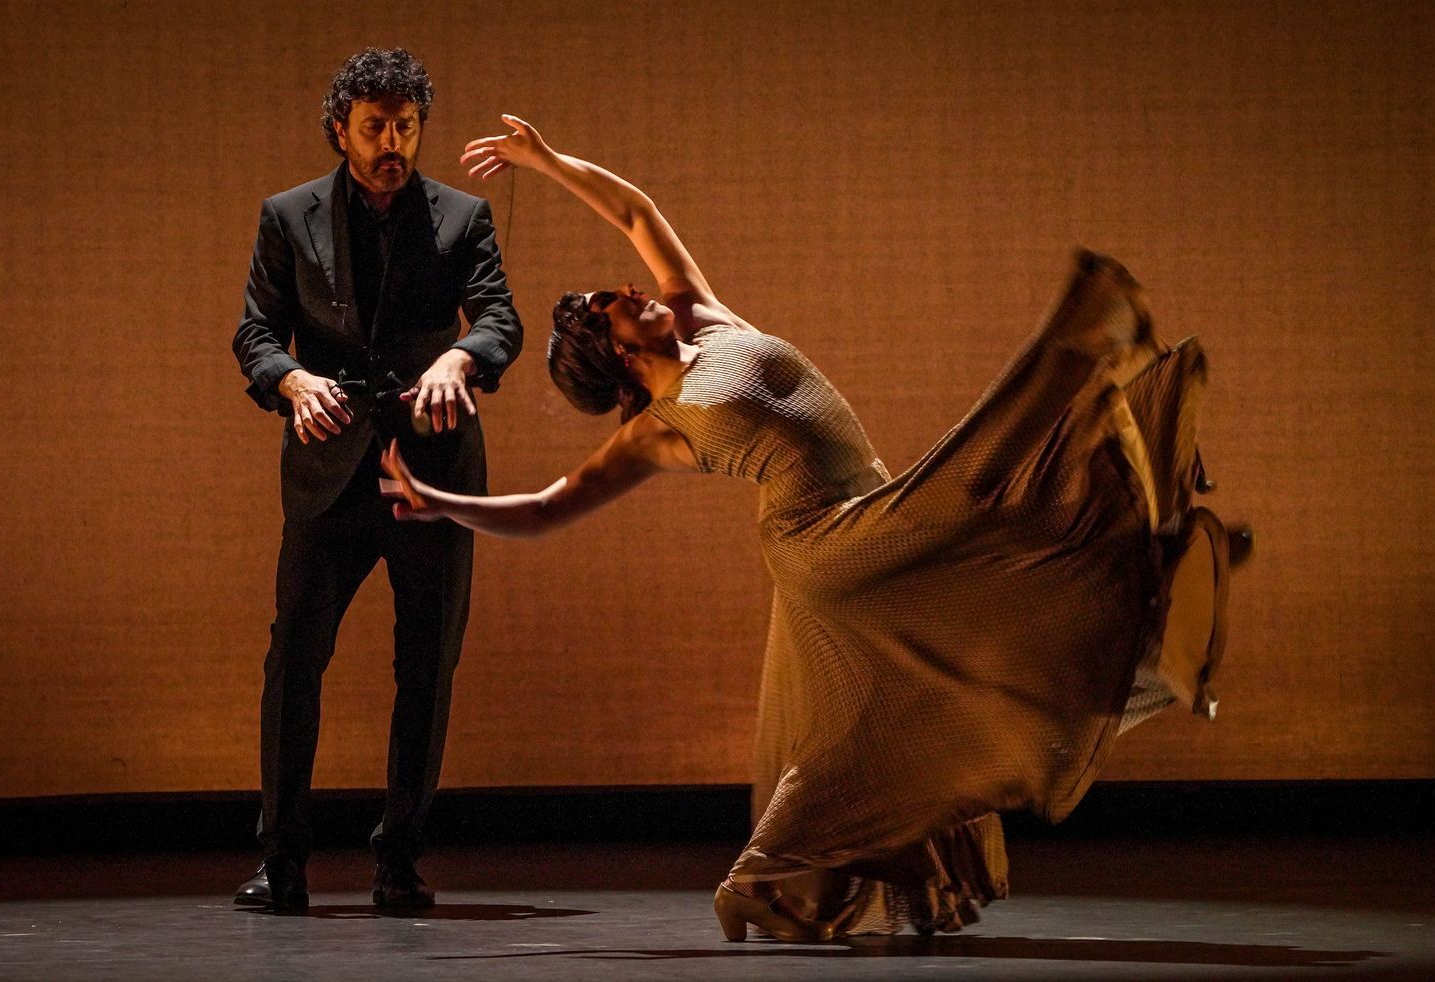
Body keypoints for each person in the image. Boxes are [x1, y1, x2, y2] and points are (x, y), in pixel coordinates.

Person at [381, 116, 1234, 939]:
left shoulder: (701, 315)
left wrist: (546, 162)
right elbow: (547, 506)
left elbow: (637, 212)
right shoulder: (658, 431)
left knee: (908, 709)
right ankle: (1127, 532)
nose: (633, 291)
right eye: (616, 306)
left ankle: (761, 881)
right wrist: (442, 501)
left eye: (621, 290)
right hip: (826, 541)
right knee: (989, 497)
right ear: (621, 358)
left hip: (874, 504)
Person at [230, 50, 522, 913]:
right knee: (294, 661)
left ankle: (399, 862)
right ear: (340, 129)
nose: (392, 142)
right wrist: (293, 380)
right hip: (329, 468)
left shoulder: (462, 215)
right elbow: (255, 333)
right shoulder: (288, 214)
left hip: (433, 470)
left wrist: (460, 358)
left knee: (427, 665)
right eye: (374, 127)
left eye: (405, 126)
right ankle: (281, 861)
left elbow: (499, 316)